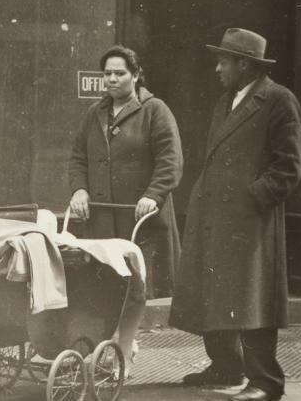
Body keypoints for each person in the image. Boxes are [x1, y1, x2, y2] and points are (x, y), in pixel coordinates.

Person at [170, 28, 301, 401]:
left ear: (244, 64)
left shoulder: (278, 100)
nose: (217, 68)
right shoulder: (226, 101)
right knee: (215, 291)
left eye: (223, 61)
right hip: (214, 216)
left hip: (251, 222)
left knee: (252, 300)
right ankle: (226, 366)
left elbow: (290, 166)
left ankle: (266, 382)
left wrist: (251, 198)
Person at [68, 45, 183, 371]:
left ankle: (124, 349)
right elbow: (78, 158)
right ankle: (97, 347)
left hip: (140, 219)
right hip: (102, 218)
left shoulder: (155, 110)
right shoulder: (94, 113)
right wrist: (79, 189)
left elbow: (170, 161)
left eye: (120, 73)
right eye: (107, 73)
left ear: (135, 75)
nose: (112, 79)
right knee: (102, 285)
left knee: (134, 288)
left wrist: (153, 194)